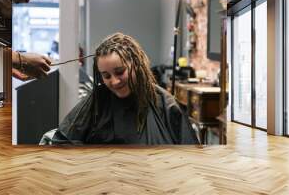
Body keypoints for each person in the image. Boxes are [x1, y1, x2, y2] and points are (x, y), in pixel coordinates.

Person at [40, 33, 199, 145]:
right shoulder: (98, 99)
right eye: (106, 76)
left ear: (136, 65)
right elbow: (62, 140)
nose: (114, 82)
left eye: (120, 72)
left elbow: (189, 154)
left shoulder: (165, 104)